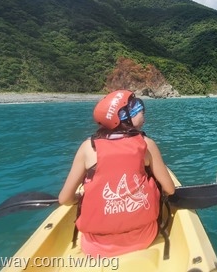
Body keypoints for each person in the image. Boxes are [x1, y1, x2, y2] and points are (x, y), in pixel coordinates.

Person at [58, 90, 175, 257]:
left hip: (95, 247)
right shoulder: (146, 145)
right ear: (125, 116)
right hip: (143, 238)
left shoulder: (88, 148)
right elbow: (170, 190)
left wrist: (78, 199)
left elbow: (64, 199)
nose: (144, 115)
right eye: (141, 110)